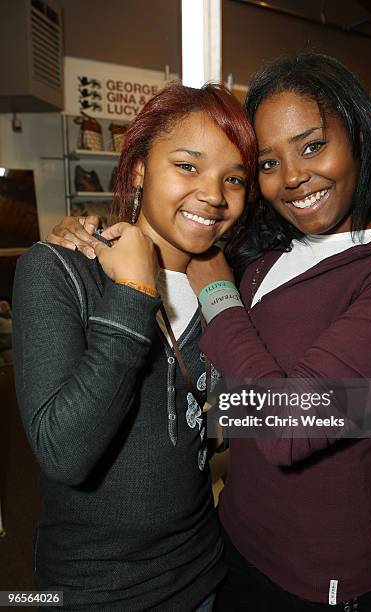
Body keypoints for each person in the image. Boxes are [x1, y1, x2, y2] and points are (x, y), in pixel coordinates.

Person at [48, 54, 371, 611]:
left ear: (358, 135)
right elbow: (231, 386)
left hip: (321, 570)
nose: (291, 178)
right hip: (230, 537)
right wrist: (88, 232)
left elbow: (291, 427)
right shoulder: (265, 251)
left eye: (312, 146)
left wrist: (218, 292)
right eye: (266, 162)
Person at [12, 82, 257, 611]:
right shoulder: (58, 270)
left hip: (201, 576)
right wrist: (132, 295)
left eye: (232, 178)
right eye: (188, 166)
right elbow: (64, 454)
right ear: (141, 167)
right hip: (87, 593)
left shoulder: (225, 289)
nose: (214, 195)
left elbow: (217, 423)